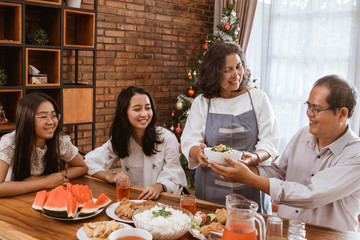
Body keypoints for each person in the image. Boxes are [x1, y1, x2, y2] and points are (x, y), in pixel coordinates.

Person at [209, 75, 360, 231]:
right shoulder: (303, 135)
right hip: (287, 232)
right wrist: (245, 168)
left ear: (342, 114)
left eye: (317, 109)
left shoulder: (356, 154)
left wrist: (249, 178)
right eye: (308, 106)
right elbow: (279, 172)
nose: (309, 113)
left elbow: (312, 195)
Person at [181, 41, 280, 213]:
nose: (236, 75)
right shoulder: (203, 102)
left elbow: (270, 142)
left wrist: (253, 158)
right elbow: (190, 140)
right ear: (213, 73)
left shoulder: (257, 98)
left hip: (251, 181)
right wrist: (198, 153)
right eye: (227, 70)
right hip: (211, 185)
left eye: (238, 67)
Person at [85, 86, 187, 200]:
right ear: (124, 112)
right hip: (133, 200)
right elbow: (89, 161)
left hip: (162, 202)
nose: (144, 114)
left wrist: (160, 186)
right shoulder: (121, 138)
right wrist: (110, 176)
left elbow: (175, 175)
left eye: (148, 108)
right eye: (137, 109)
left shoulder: (167, 138)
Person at [0, 92, 88, 197]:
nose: (51, 122)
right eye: (43, 117)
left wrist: (57, 175)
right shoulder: (9, 143)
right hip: (11, 202)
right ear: (27, 119)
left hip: (40, 197)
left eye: (54, 115)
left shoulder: (58, 140)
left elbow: (82, 167)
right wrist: (45, 182)